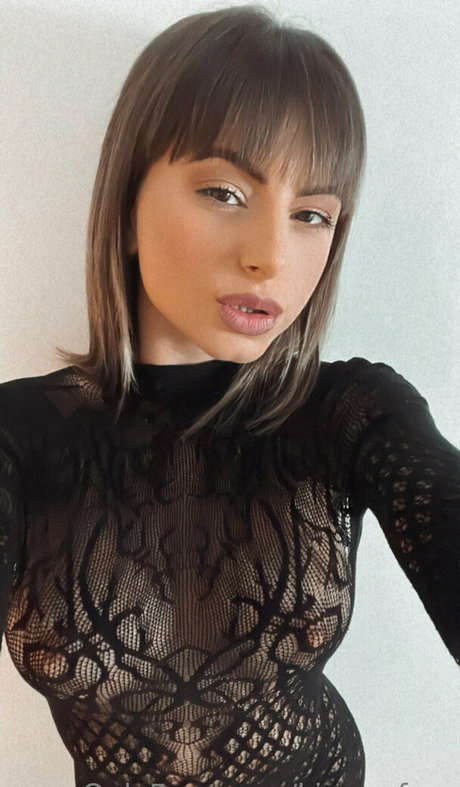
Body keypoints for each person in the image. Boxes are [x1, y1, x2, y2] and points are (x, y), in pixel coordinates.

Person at [0, 5, 458, 786]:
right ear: (129, 206)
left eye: (311, 214)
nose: (270, 256)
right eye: (224, 192)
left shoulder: (351, 413)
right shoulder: (21, 435)